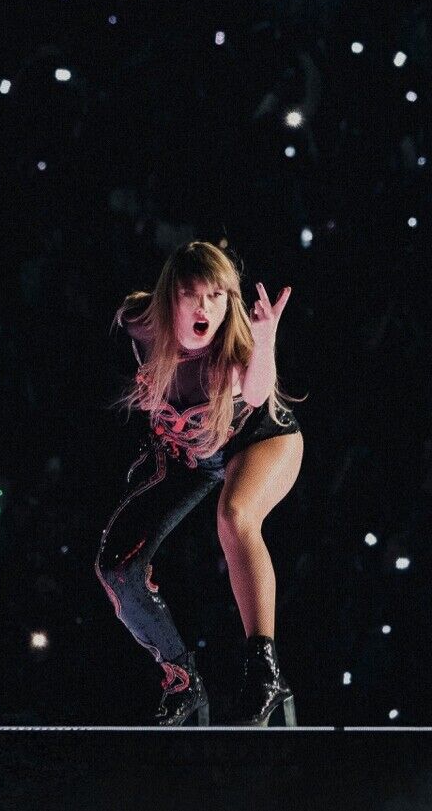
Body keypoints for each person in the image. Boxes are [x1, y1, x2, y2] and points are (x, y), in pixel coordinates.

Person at [96, 241, 306, 726]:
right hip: (189, 455)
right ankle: (182, 681)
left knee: (235, 516)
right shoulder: (138, 322)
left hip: (260, 441)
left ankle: (265, 674)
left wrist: (266, 340)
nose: (205, 309)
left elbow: (256, 393)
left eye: (216, 296)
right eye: (192, 295)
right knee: (117, 567)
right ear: (170, 297)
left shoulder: (232, 344)